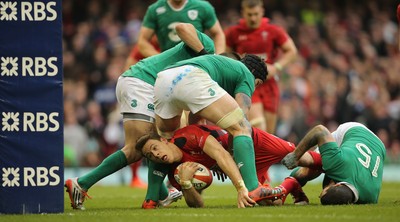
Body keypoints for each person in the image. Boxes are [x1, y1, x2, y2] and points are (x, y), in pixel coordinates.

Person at [64, 23, 216, 210]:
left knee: (157, 141)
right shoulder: (208, 48)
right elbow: (183, 27)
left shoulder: (206, 71)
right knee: (137, 148)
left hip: (143, 84)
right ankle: (83, 184)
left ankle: (158, 195)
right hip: (142, 83)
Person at [153, 53, 272, 208]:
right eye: (257, 85)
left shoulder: (220, 74)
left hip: (164, 79)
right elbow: (242, 116)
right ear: (257, 80)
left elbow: (196, 123)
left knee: (164, 141)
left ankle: (155, 196)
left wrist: (214, 159)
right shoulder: (246, 74)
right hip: (190, 76)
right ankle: (253, 189)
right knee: (242, 127)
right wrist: (231, 157)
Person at [136, 124, 321, 208]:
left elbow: (221, 153)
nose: (156, 155)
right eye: (150, 156)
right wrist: (186, 185)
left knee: (308, 160)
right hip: (242, 165)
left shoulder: (188, 136)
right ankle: (293, 184)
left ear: (163, 140)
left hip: (251, 143)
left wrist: (240, 187)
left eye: (155, 148)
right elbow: (198, 204)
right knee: (270, 202)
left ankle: (340, 161)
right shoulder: (175, 174)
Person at [225, 0, 298, 134]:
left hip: (270, 84)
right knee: (259, 125)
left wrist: (276, 67)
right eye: (249, 14)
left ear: (262, 12)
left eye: (256, 14)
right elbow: (225, 56)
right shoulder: (233, 33)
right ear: (243, 13)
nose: (253, 18)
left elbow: (292, 50)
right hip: (248, 84)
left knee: (269, 134)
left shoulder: (273, 31)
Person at [281, 122, 386, 205]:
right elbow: (320, 131)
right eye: (326, 189)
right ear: (338, 184)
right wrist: (296, 155)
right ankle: (286, 179)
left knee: (326, 166)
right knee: (310, 171)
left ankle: (288, 187)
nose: (319, 195)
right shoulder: (338, 164)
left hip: (379, 148)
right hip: (353, 131)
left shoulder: (371, 198)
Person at [137, 0, 226, 58]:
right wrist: (161, 58)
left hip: (197, 61)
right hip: (168, 66)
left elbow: (218, 34)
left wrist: (217, 57)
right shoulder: (154, 9)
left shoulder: (203, 7)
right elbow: (142, 41)